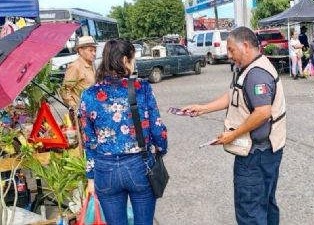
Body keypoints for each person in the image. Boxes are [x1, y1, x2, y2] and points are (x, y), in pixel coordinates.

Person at [182, 27, 286, 225]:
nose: (229, 55)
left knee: (250, 210)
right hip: (266, 152)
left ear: (245, 46)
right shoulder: (249, 68)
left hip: (255, 155)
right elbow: (234, 95)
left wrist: (233, 135)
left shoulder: (257, 74)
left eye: (231, 50)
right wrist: (203, 108)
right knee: (265, 202)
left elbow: (262, 113)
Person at [78, 39, 168, 225]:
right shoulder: (141, 88)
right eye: (133, 59)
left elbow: (89, 141)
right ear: (126, 60)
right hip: (139, 166)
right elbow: (157, 128)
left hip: (105, 169)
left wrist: (90, 177)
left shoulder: (89, 94)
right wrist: (161, 149)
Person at [60, 36, 97, 110]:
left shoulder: (92, 65)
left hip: (93, 108)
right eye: (90, 50)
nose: (94, 53)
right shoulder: (75, 67)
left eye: (95, 50)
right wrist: (73, 106)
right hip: (81, 111)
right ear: (80, 51)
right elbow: (65, 90)